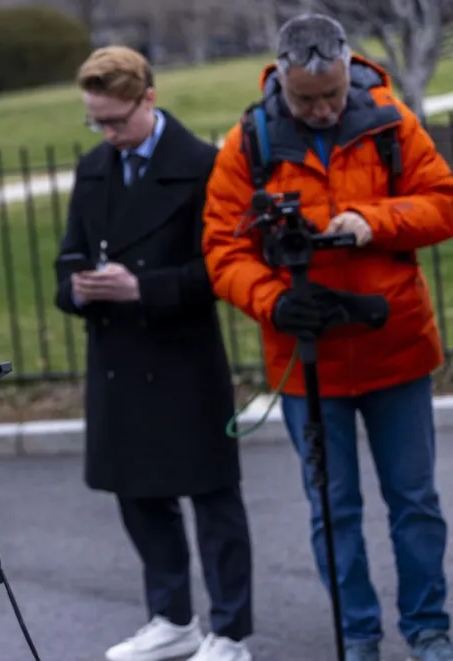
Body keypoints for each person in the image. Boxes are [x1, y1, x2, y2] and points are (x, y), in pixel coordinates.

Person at [201, 14, 453, 661]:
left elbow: (444, 202)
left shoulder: (391, 123)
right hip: (307, 358)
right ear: (281, 80)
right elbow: (223, 251)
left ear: (349, 72)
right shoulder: (248, 143)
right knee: (333, 508)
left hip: (394, 345)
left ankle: (428, 626)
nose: (322, 109)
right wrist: (275, 300)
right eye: (306, 98)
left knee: (415, 500)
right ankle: (358, 634)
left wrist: (373, 221)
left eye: (333, 95)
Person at [54, 46, 254, 661]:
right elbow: (68, 260)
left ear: (149, 98)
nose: (108, 134)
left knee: (213, 499)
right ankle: (171, 617)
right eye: (97, 121)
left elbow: (222, 267)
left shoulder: (202, 165)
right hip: (117, 355)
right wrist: (81, 287)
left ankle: (230, 632)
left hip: (183, 358)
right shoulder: (94, 168)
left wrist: (144, 287)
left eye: (116, 120)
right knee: (138, 494)